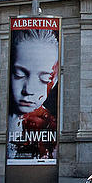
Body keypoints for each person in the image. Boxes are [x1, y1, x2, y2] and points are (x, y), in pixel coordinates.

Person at [7, 29, 59, 160]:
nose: (28, 89)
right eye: (20, 75)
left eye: (44, 79)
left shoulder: (50, 124)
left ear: (54, 81)